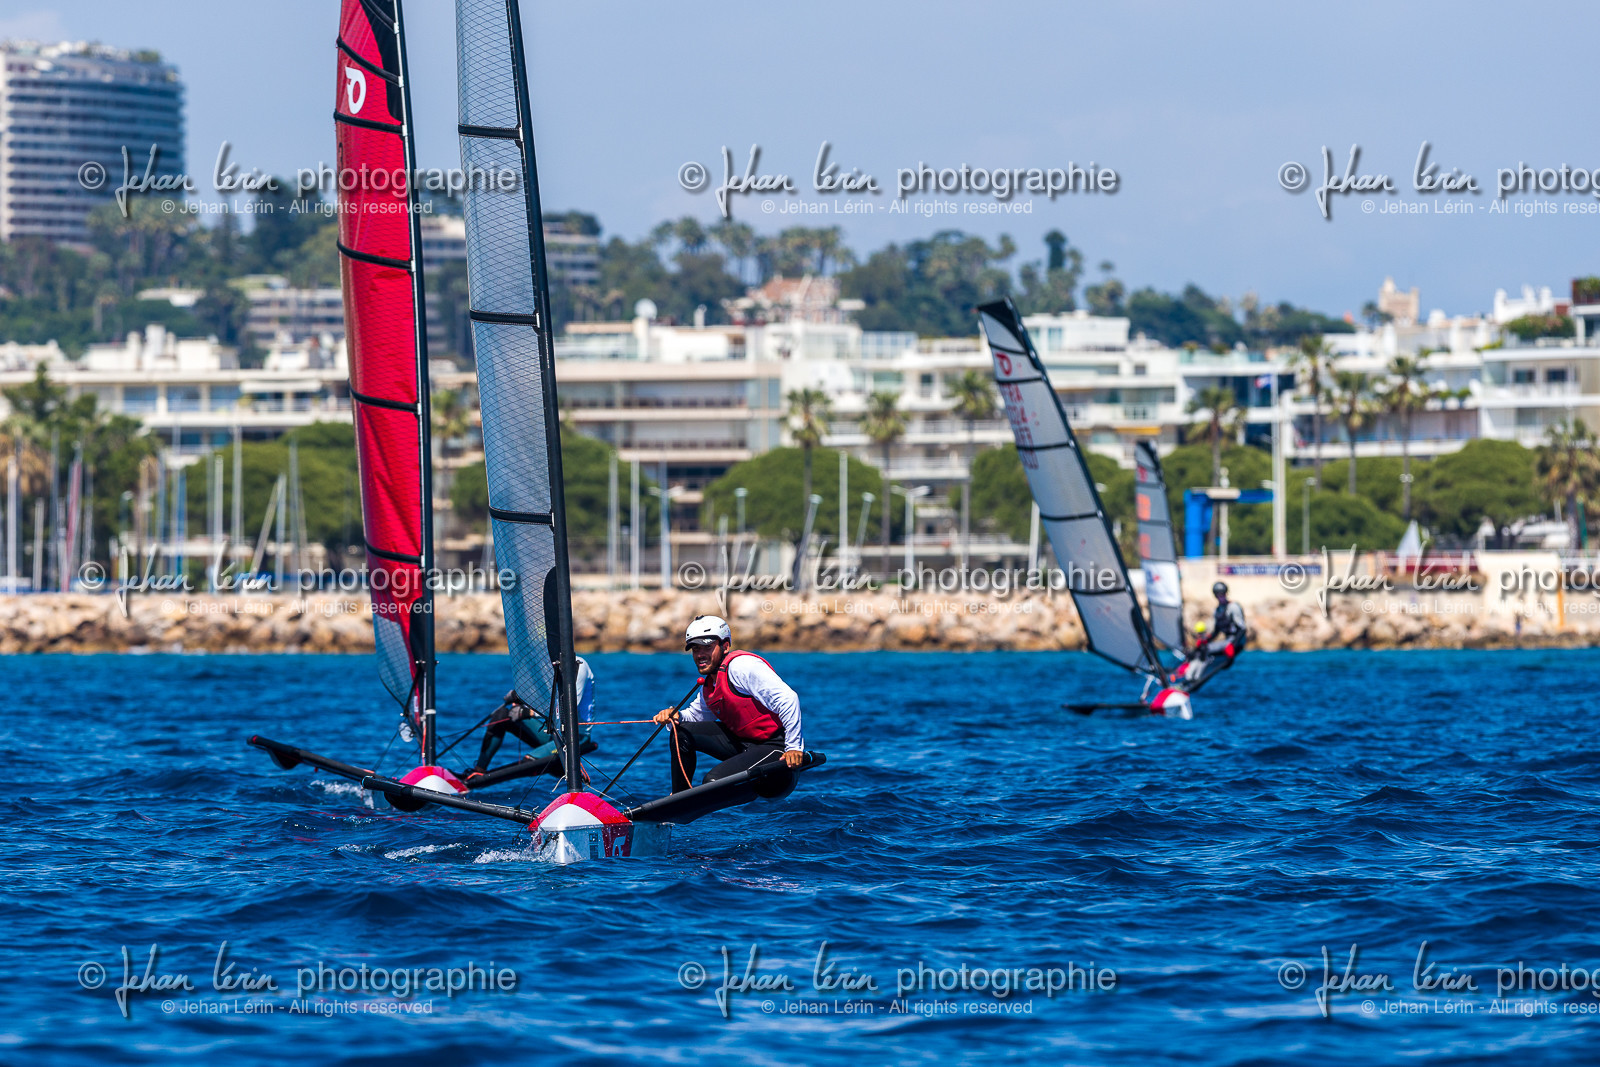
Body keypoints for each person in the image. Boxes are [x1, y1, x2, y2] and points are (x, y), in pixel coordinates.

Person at [653, 615, 806, 794]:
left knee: (713, 781)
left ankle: (692, 801)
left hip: (776, 751)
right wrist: (675, 715)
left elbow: (788, 698)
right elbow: (696, 717)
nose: (700, 655)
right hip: (744, 746)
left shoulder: (742, 667)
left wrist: (794, 748)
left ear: (725, 646)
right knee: (682, 732)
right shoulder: (709, 684)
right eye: (695, 649)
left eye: (707, 647)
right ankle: (678, 797)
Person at [466, 656, 594, 782]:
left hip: (575, 737)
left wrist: (529, 712)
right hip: (551, 732)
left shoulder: (578, 665)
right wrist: (520, 698)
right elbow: (543, 699)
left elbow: (567, 708)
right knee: (502, 715)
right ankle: (478, 770)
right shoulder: (546, 667)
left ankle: (576, 777)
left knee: (530, 762)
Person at [1177, 582, 1247, 692]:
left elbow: (1242, 629)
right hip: (1227, 641)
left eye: (1222, 594)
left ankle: (1195, 679)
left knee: (1206, 650)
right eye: (1218, 595)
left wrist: (1233, 645)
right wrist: (1206, 640)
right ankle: (1189, 678)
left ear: (1226, 593)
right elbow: (1216, 631)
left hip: (1236, 642)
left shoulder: (1233, 607)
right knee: (1199, 650)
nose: (1220, 597)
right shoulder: (1218, 610)